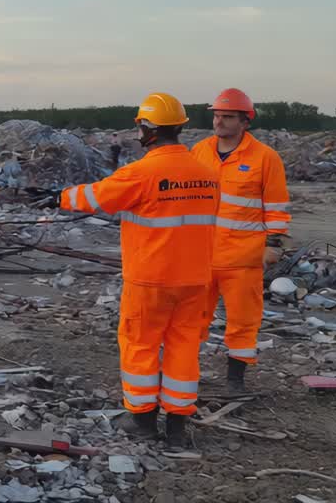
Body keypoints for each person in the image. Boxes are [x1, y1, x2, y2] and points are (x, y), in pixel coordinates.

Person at [55, 93, 217, 445]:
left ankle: (142, 420)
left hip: (151, 279)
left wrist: (59, 196)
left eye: (141, 127)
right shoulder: (207, 175)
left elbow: (96, 197)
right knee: (184, 347)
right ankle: (177, 425)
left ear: (149, 129)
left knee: (140, 345)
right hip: (195, 278)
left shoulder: (142, 172)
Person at [190, 88, 290, 391]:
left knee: (244, 323)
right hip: (201, 255)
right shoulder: (200, 151)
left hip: (243, 258)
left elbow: (276, 206)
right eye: (217, 116)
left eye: (227, 117)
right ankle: (183, 375)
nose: (219, 122)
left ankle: (235, 382)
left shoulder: (265, 158)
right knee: (191, 320)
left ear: (245, 121)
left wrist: (274, 244)